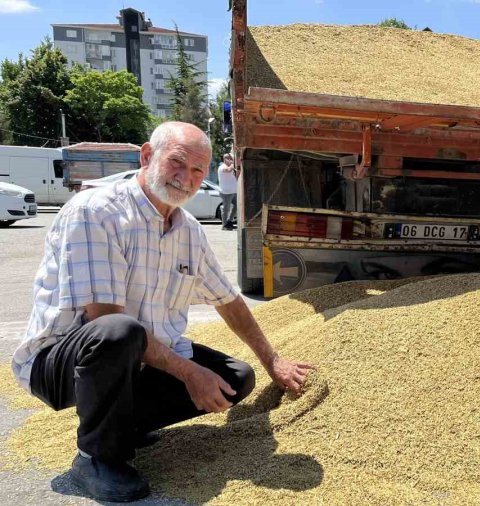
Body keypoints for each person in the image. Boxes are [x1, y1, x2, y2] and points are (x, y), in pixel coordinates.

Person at [12, 122, 316, 502]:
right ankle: (96, 457)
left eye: (197, 171)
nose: (185, 178)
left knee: (235, 378)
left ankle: (122, 424)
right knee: (119, 331)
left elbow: (229, 300)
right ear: (146, 156)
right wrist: (189, 372)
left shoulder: (187, 230)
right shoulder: (96, 212)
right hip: (61, 362)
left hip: (136, 360)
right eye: (177, 163)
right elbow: (101, 317)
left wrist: (273, 361)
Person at [217, 152, 239, 230]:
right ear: (224, 159)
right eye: (228, 158)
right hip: (226, 192)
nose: (229, 160)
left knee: (237, 206)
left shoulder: (232, 168)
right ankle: (224, 225)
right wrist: (234, 163)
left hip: (233, 191)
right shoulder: (222, 167)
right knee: (226, 209)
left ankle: (229, 221)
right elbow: (228, 170)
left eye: (230, 158)